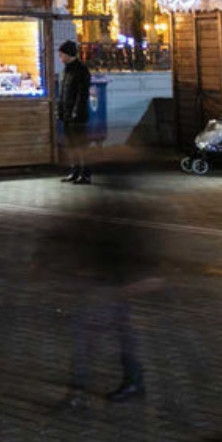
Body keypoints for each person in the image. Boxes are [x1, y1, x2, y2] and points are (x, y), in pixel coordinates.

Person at [47, 168, 159, 407]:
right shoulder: (120, 211)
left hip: (111, 284)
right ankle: (130, 382)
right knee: (114, 334)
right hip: (108, 282)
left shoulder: (123, 213)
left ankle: (84, 390)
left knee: (90, 336)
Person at [56, 40, 93, 184]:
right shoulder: (66, 70)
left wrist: (76, 112)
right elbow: (63, 92)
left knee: (80, 144)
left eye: (62, 54)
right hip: (67, 114)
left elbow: (82, 94)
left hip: (77, 116)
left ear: (69, 54)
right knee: (71, 144)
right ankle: (75, 171)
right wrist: (61, 110)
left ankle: (85, 173)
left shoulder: (81, 70)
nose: (60, 57)